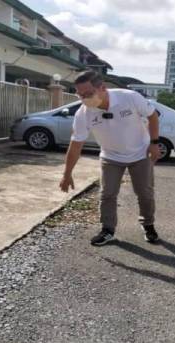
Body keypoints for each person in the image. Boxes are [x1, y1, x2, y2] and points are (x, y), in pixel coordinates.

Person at [59, 71, 161, 246]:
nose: (84, 99)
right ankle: (108, 229)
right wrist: (67, 174)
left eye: (88, 94)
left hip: (140, 153)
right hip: (110, 156)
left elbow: (152, 116)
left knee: (145, 193)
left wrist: (154, 143)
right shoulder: (83, 113)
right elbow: (75, 145)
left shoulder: (129, 98)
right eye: (80, 95)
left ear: (103, 88)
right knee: (107, 194)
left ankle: (148, 225)